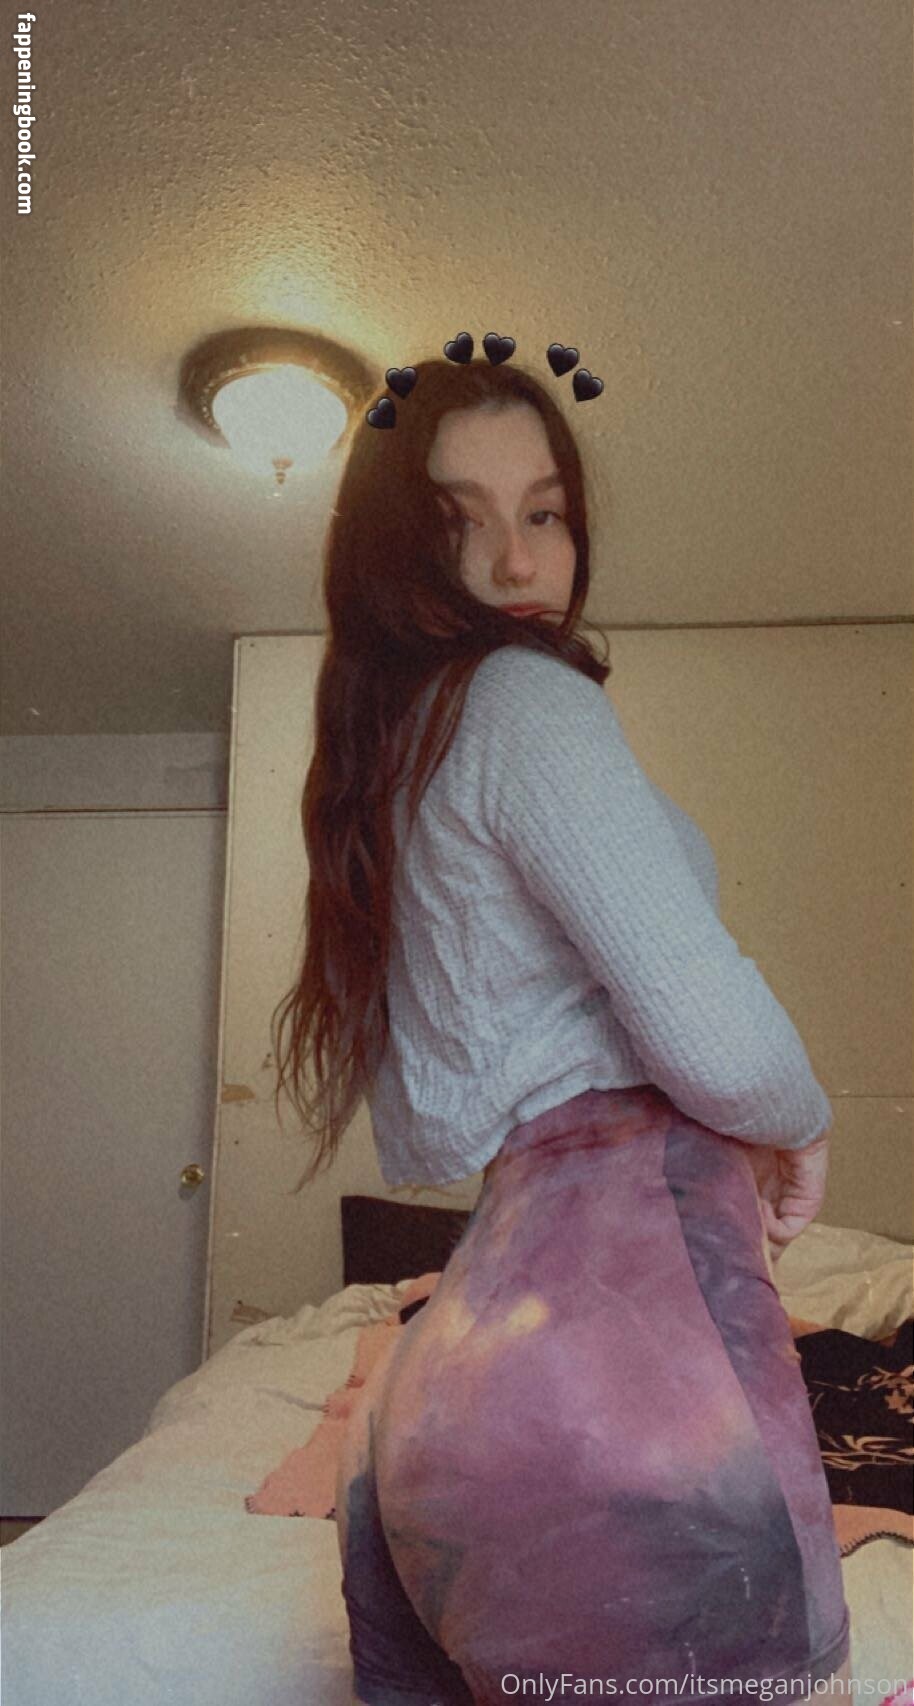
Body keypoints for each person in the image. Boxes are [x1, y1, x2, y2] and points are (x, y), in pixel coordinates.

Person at [271, 352, 851, 1705]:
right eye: (456, 519)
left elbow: (438, 1104)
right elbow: (713, 1035)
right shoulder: (525, 702)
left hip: (450, 1391)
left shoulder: (400, 749)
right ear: (390, 548)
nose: (516, 560)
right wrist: (805, 1119)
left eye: (545, 512)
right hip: (623, 1390)